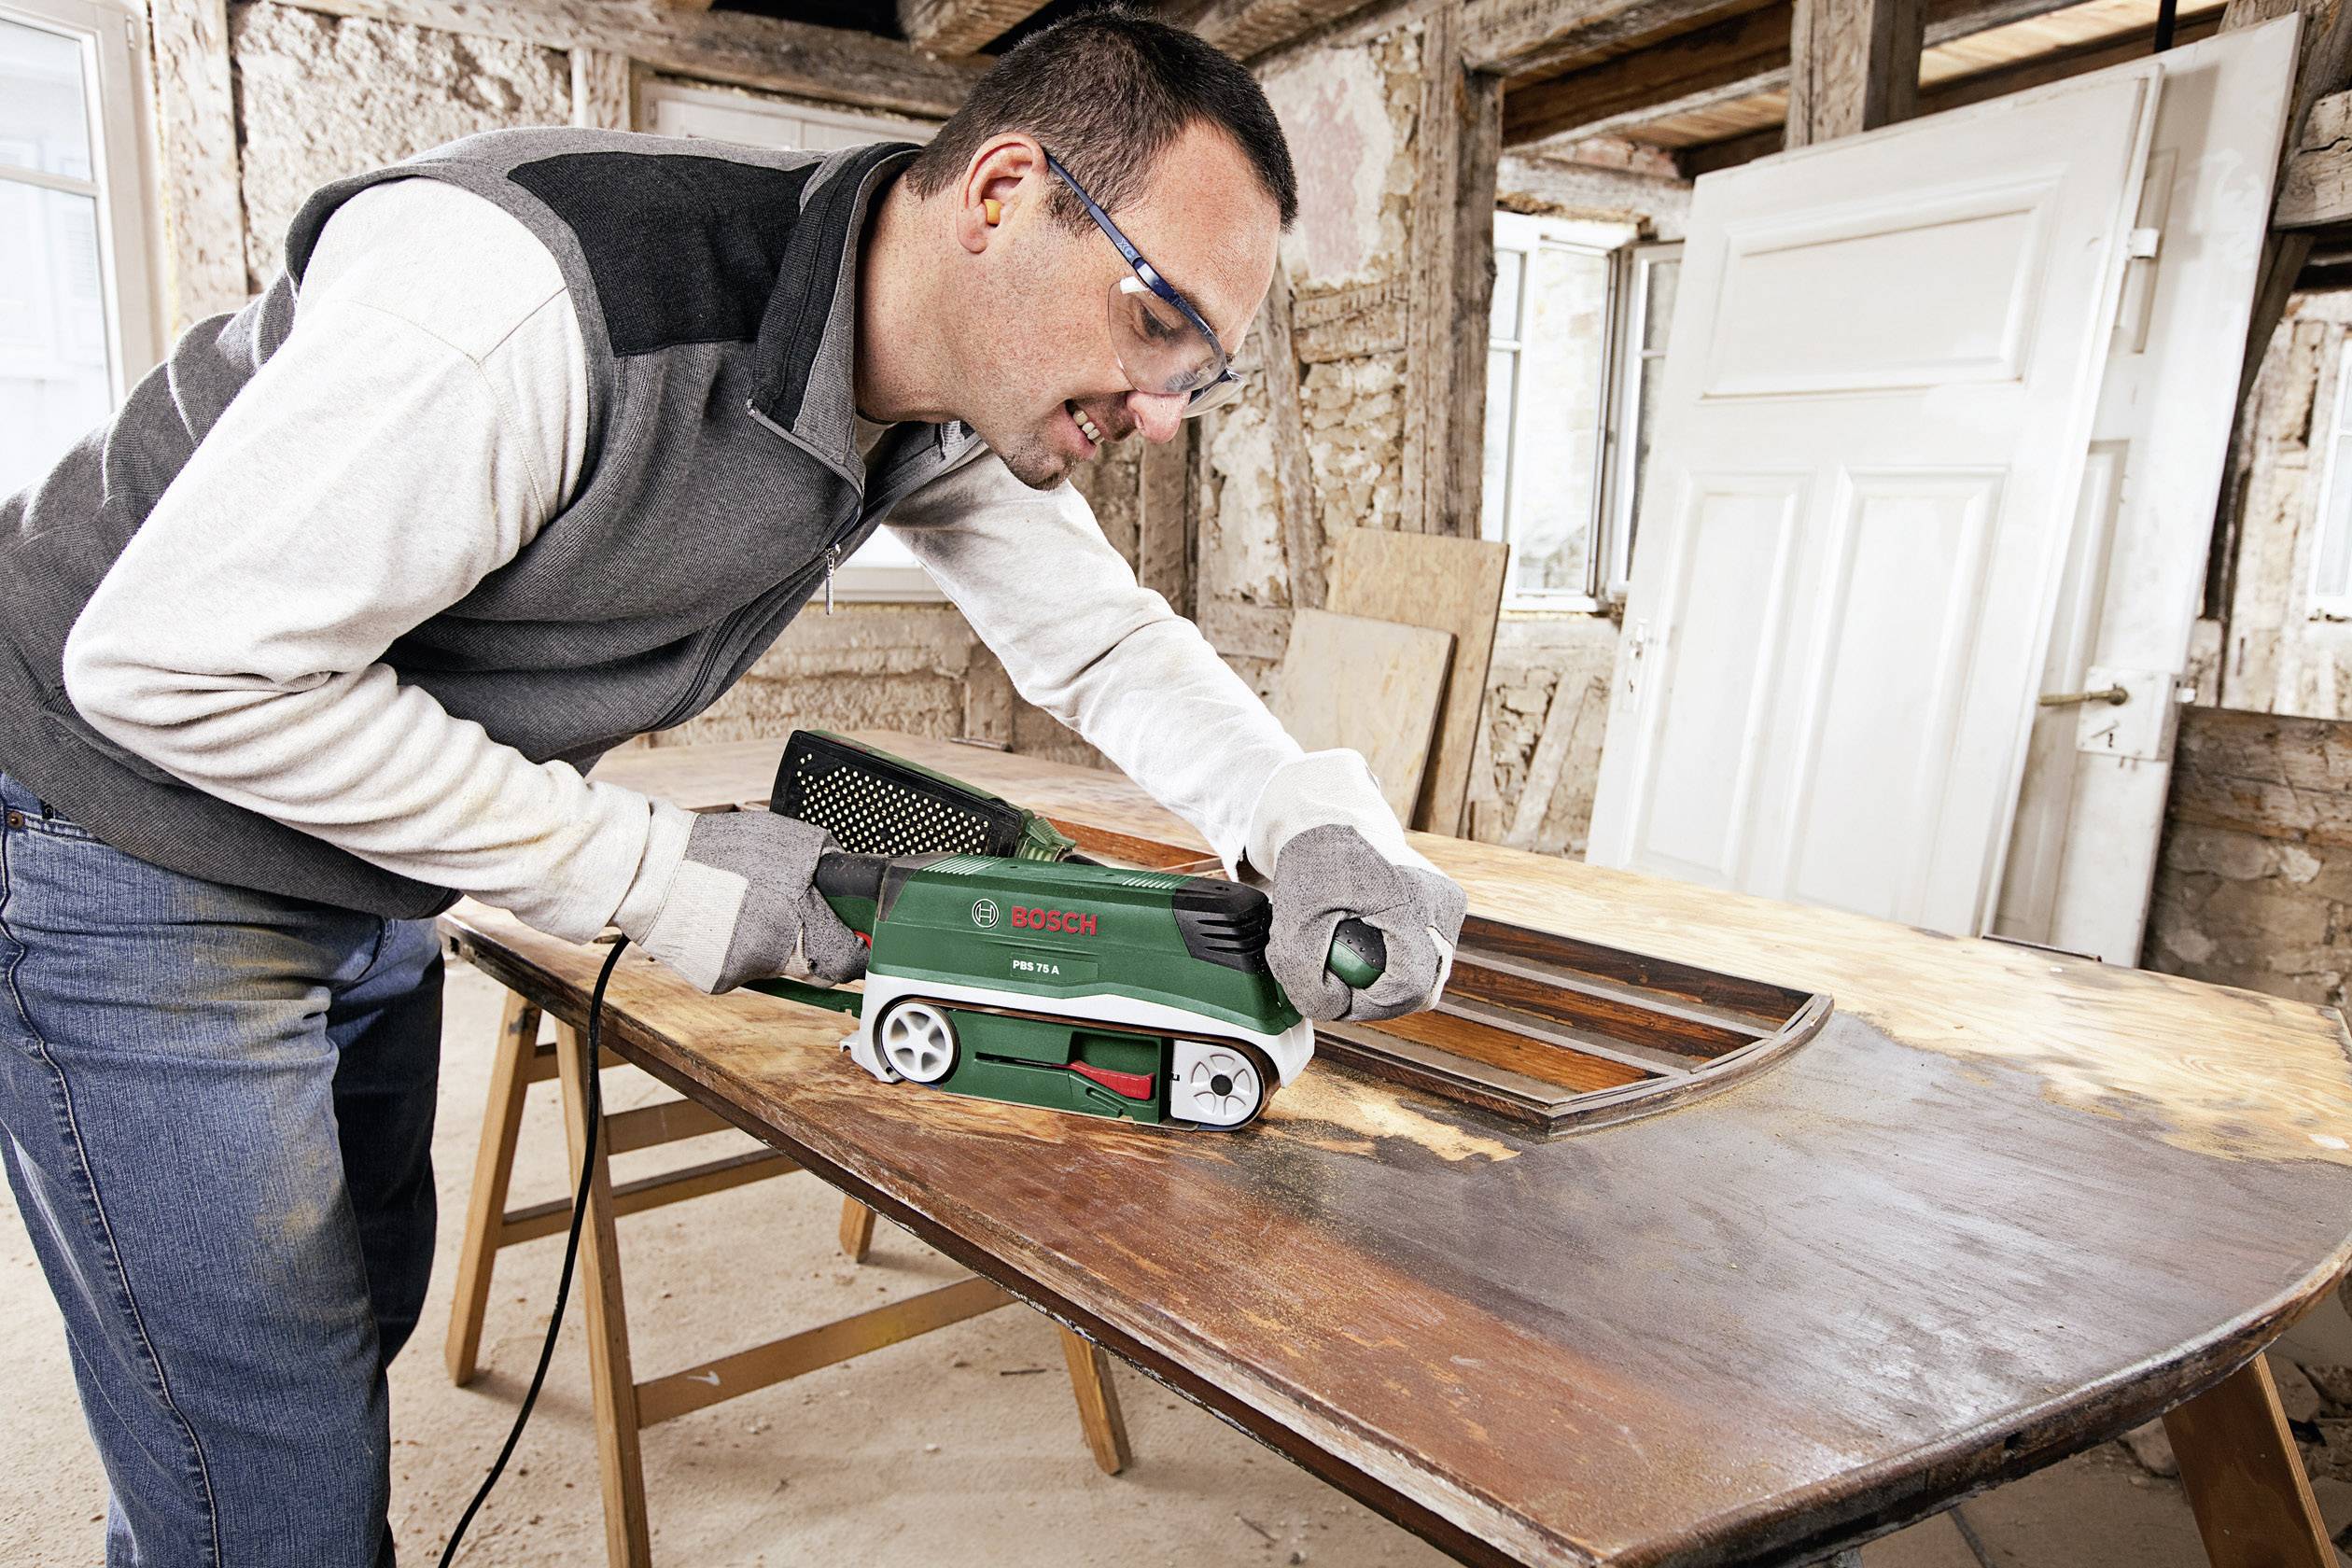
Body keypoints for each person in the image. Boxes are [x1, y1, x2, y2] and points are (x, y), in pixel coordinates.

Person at [0, 7, 1466, 1562]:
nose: (1167, 411)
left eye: (1206, 368)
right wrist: (650, 873)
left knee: (334, 1318)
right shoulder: (529, 304)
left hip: (346, 845)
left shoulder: (942, 398)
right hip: (116, 829)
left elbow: (1101, 645)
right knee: (267, 1500)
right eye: (1158, 320)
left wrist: (1303, 816)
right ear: (1003, 197)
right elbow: (174, 668)